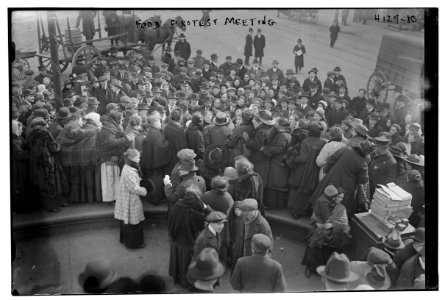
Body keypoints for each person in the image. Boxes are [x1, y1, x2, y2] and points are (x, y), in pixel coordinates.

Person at [310, 140, 372, 219]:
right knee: (338, 207)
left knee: (324, 199)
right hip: (346, 189)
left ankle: (315, 219)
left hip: (331, 179)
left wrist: (326, 170)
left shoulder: (345, 149)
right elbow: (363, 180)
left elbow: (332, 159)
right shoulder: (363, 163)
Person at [302, 185, 351, 277]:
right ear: (333, 196)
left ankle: (325, 267)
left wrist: (332, 225)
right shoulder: (323, 203)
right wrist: (317, 224)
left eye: (342, 198)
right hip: (319, 229)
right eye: (338, 196)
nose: (340, 199)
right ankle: (309, 266)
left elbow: (344, 223)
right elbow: (314, 216)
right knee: (314, 242)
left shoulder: (341, 208)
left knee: (330, 245)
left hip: (333, 233)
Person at [168, 186, 208, 289]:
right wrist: (205, 207)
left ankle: (178, 278)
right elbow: (203, 222)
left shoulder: (176, 205)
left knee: (178, 264)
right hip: (188, 243)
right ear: (196, 197)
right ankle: (187, 283)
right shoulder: (196, 214)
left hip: (176, 240)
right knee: (186, 264)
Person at [56, 109, 100, 204]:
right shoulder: (74, 124)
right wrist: (95, 130)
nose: (83, 122)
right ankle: (70, 199)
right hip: (69, 157)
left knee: (71, 179)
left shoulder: (70, 124)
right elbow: (78, 134)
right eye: (82, 119)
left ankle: (72, 198)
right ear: (78, 118)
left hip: (67, 157)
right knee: (72, 179)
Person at [25, 117, 67, 212]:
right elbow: (54, 148)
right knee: (51, 183)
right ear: (42, 125)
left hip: (36, 164)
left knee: (41, 183)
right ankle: (53, 206)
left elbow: (26, 146)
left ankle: (42, 205)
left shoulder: (31, 135)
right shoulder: (45, 133)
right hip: (48, 162)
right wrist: (58, 146)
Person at [287, 124, 326, 218]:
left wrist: (294, 159)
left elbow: (303, 158)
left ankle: (295, 211)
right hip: (314, 170)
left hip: (302, 170)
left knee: (297, 189)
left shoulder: (305, 141)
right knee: (309, 190)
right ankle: (305, 210)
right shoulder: (322, 142)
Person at [97, 103, 132, 203]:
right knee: (110, 180)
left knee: (112, 180)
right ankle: (110, 199)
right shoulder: (109, 127)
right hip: (109, 157)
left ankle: (113, 198)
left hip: (113, 157)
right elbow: (109, 143)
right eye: (118, 113)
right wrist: (125, 139)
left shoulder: (112, 125)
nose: (121, 118)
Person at [114, 149, 147, 249]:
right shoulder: (129, 171)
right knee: (134, 222)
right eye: (138, 157)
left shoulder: (128, 167)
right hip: (130, 199)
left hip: (127, 198)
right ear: (132, 158)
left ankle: (124, 239)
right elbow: (133, 187)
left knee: (127, 220)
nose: (139, 158)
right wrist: (144, 190)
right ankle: (134, 243)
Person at [140, 114, 170, 205]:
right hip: (156, 164)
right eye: (159, 122)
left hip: (150, 163)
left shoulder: (152, 132)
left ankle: (153, 198)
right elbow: (161, 146)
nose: (161, 124)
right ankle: (156, 199)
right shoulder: (155, 133)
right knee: (157, 182)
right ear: (155, 122)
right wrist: (168, 142)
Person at [264, 117, 291, 209]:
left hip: (277, 162)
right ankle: (279, 204)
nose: (274, 124)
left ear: (279, 125)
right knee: (279, 184)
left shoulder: (282, 135)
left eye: (276, 123)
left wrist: (267, 149)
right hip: (282, 162)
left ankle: (271, 204)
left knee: (272, 184)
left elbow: (279, 148)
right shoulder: (288, 134)